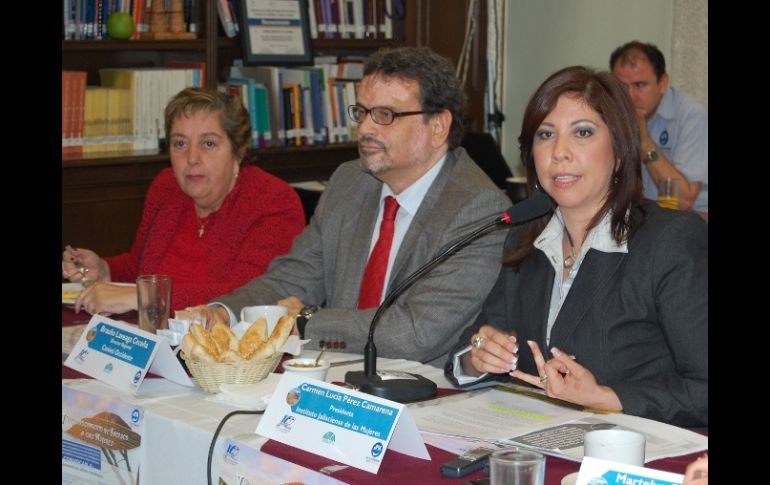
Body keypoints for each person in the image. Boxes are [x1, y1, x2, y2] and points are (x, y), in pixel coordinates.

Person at [187, 46, 510, 367]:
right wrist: (224, 313)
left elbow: (415, 333)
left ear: (438, 126)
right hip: (337, 377)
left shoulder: (477, 209)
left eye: (385, 115)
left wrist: (306, 321)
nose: (366, 129)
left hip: (425, 392)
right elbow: (294, 278)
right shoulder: (350, 181)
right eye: (362, 112)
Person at [444, 66, 708, 427]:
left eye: (582, 133)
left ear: (619, 150)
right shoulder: (527, 239)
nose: (559, 152)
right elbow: (470, 346)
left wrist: (607, 397)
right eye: (545, 135)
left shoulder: (670, 241)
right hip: (540, 445)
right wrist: (479, 355)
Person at [62, 87, 305, 315]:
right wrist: (105, 270)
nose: (191, 158)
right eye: (180, 143)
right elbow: (142, 267)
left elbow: (249, 295)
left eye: (208, 143)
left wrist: (145, 296)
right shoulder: (166, 187)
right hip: (153, 334)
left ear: (238, 151)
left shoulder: (273, 201)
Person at [610, 41, 708, 221]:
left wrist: (644, 141)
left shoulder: (692, 115)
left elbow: (683, 201)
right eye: (622, 87)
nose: (630, 96)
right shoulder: (612, 116)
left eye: (640, 85)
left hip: (692, 223)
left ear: (662, 83)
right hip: (643, 220)